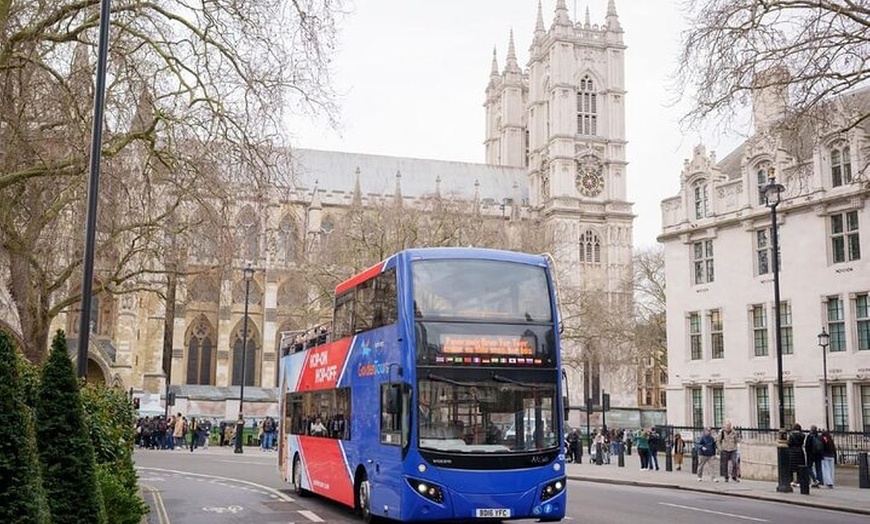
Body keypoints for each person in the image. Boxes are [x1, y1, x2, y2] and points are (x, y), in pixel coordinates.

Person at [786, 423, 807, 488]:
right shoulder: (802, 435)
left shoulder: (791, 435)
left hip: (792, 452)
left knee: (791, 467)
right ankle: (799, 481)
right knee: (800, 467)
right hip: (800, 451)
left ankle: (791, 480)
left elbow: (789, 443)